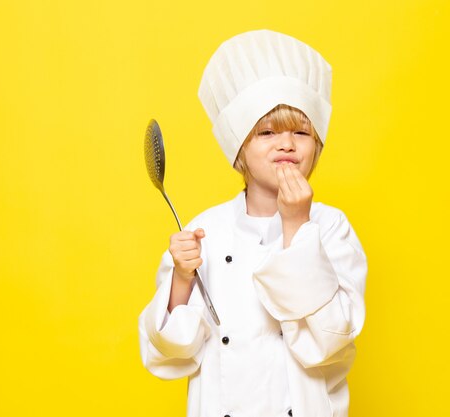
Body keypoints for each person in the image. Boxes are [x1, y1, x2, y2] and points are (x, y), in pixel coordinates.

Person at [138, 29, 367, 417]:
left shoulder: (330, 227)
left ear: (317, 145)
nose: (286, 144)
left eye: (301, 131)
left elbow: (331, 340)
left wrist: (296, 225)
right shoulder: (204, 231)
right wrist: (181, 278)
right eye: (266, 132)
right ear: (239, 147)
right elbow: (173, 353)